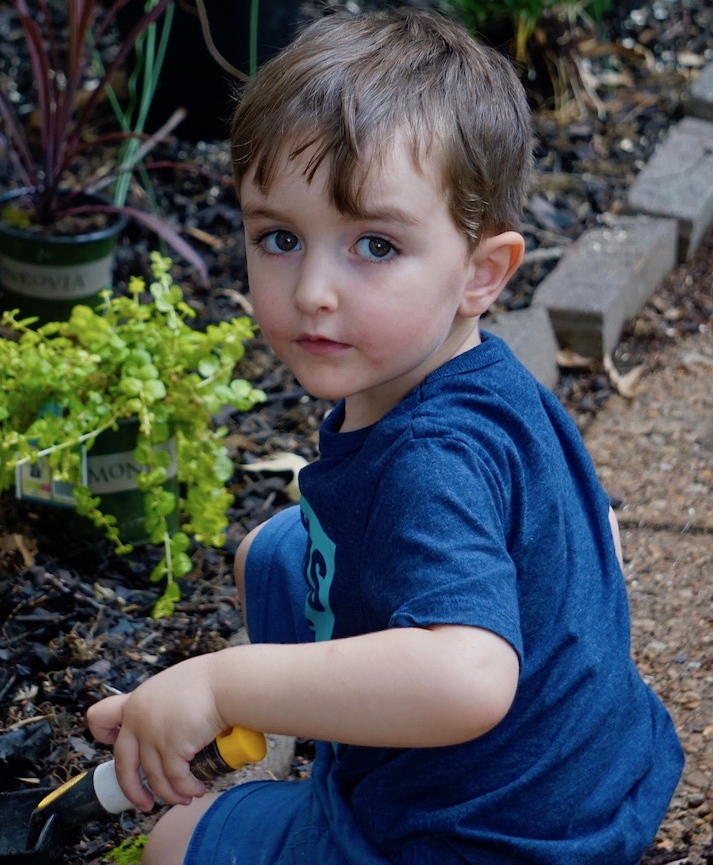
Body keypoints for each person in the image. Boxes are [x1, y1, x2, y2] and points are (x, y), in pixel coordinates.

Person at [85, 9, 684, 865]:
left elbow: (467, 678)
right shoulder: (486, 375)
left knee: (174, 842)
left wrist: (222, 684)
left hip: (478, 834)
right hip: (596, 781)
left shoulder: (433, 458)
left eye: (373, 244)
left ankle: (331, 797)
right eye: (280, 238)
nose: (314, 291)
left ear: (482, 271)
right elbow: (599, 536)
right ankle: (321, 736)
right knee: (275, 552)